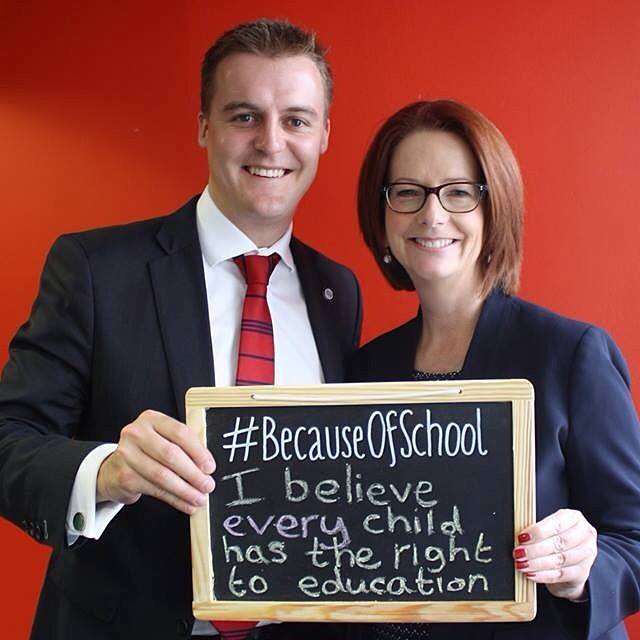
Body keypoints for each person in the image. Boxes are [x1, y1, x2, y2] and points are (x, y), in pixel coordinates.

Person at [0, 19, 361, 640]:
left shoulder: (339, 292)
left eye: (297, 120)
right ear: (203, 126)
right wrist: (107, 471)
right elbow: (8, 439)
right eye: (244, 116)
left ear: (324, 134)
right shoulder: (95, 270)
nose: (271, 143)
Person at [348, 100, 640, 639]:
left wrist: (582, 570)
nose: (431, 214)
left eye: (459, 192)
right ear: (382, 216)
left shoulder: (570, 355)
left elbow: (635, 539)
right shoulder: (365, 369)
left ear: (494, 207)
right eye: (407, 192)